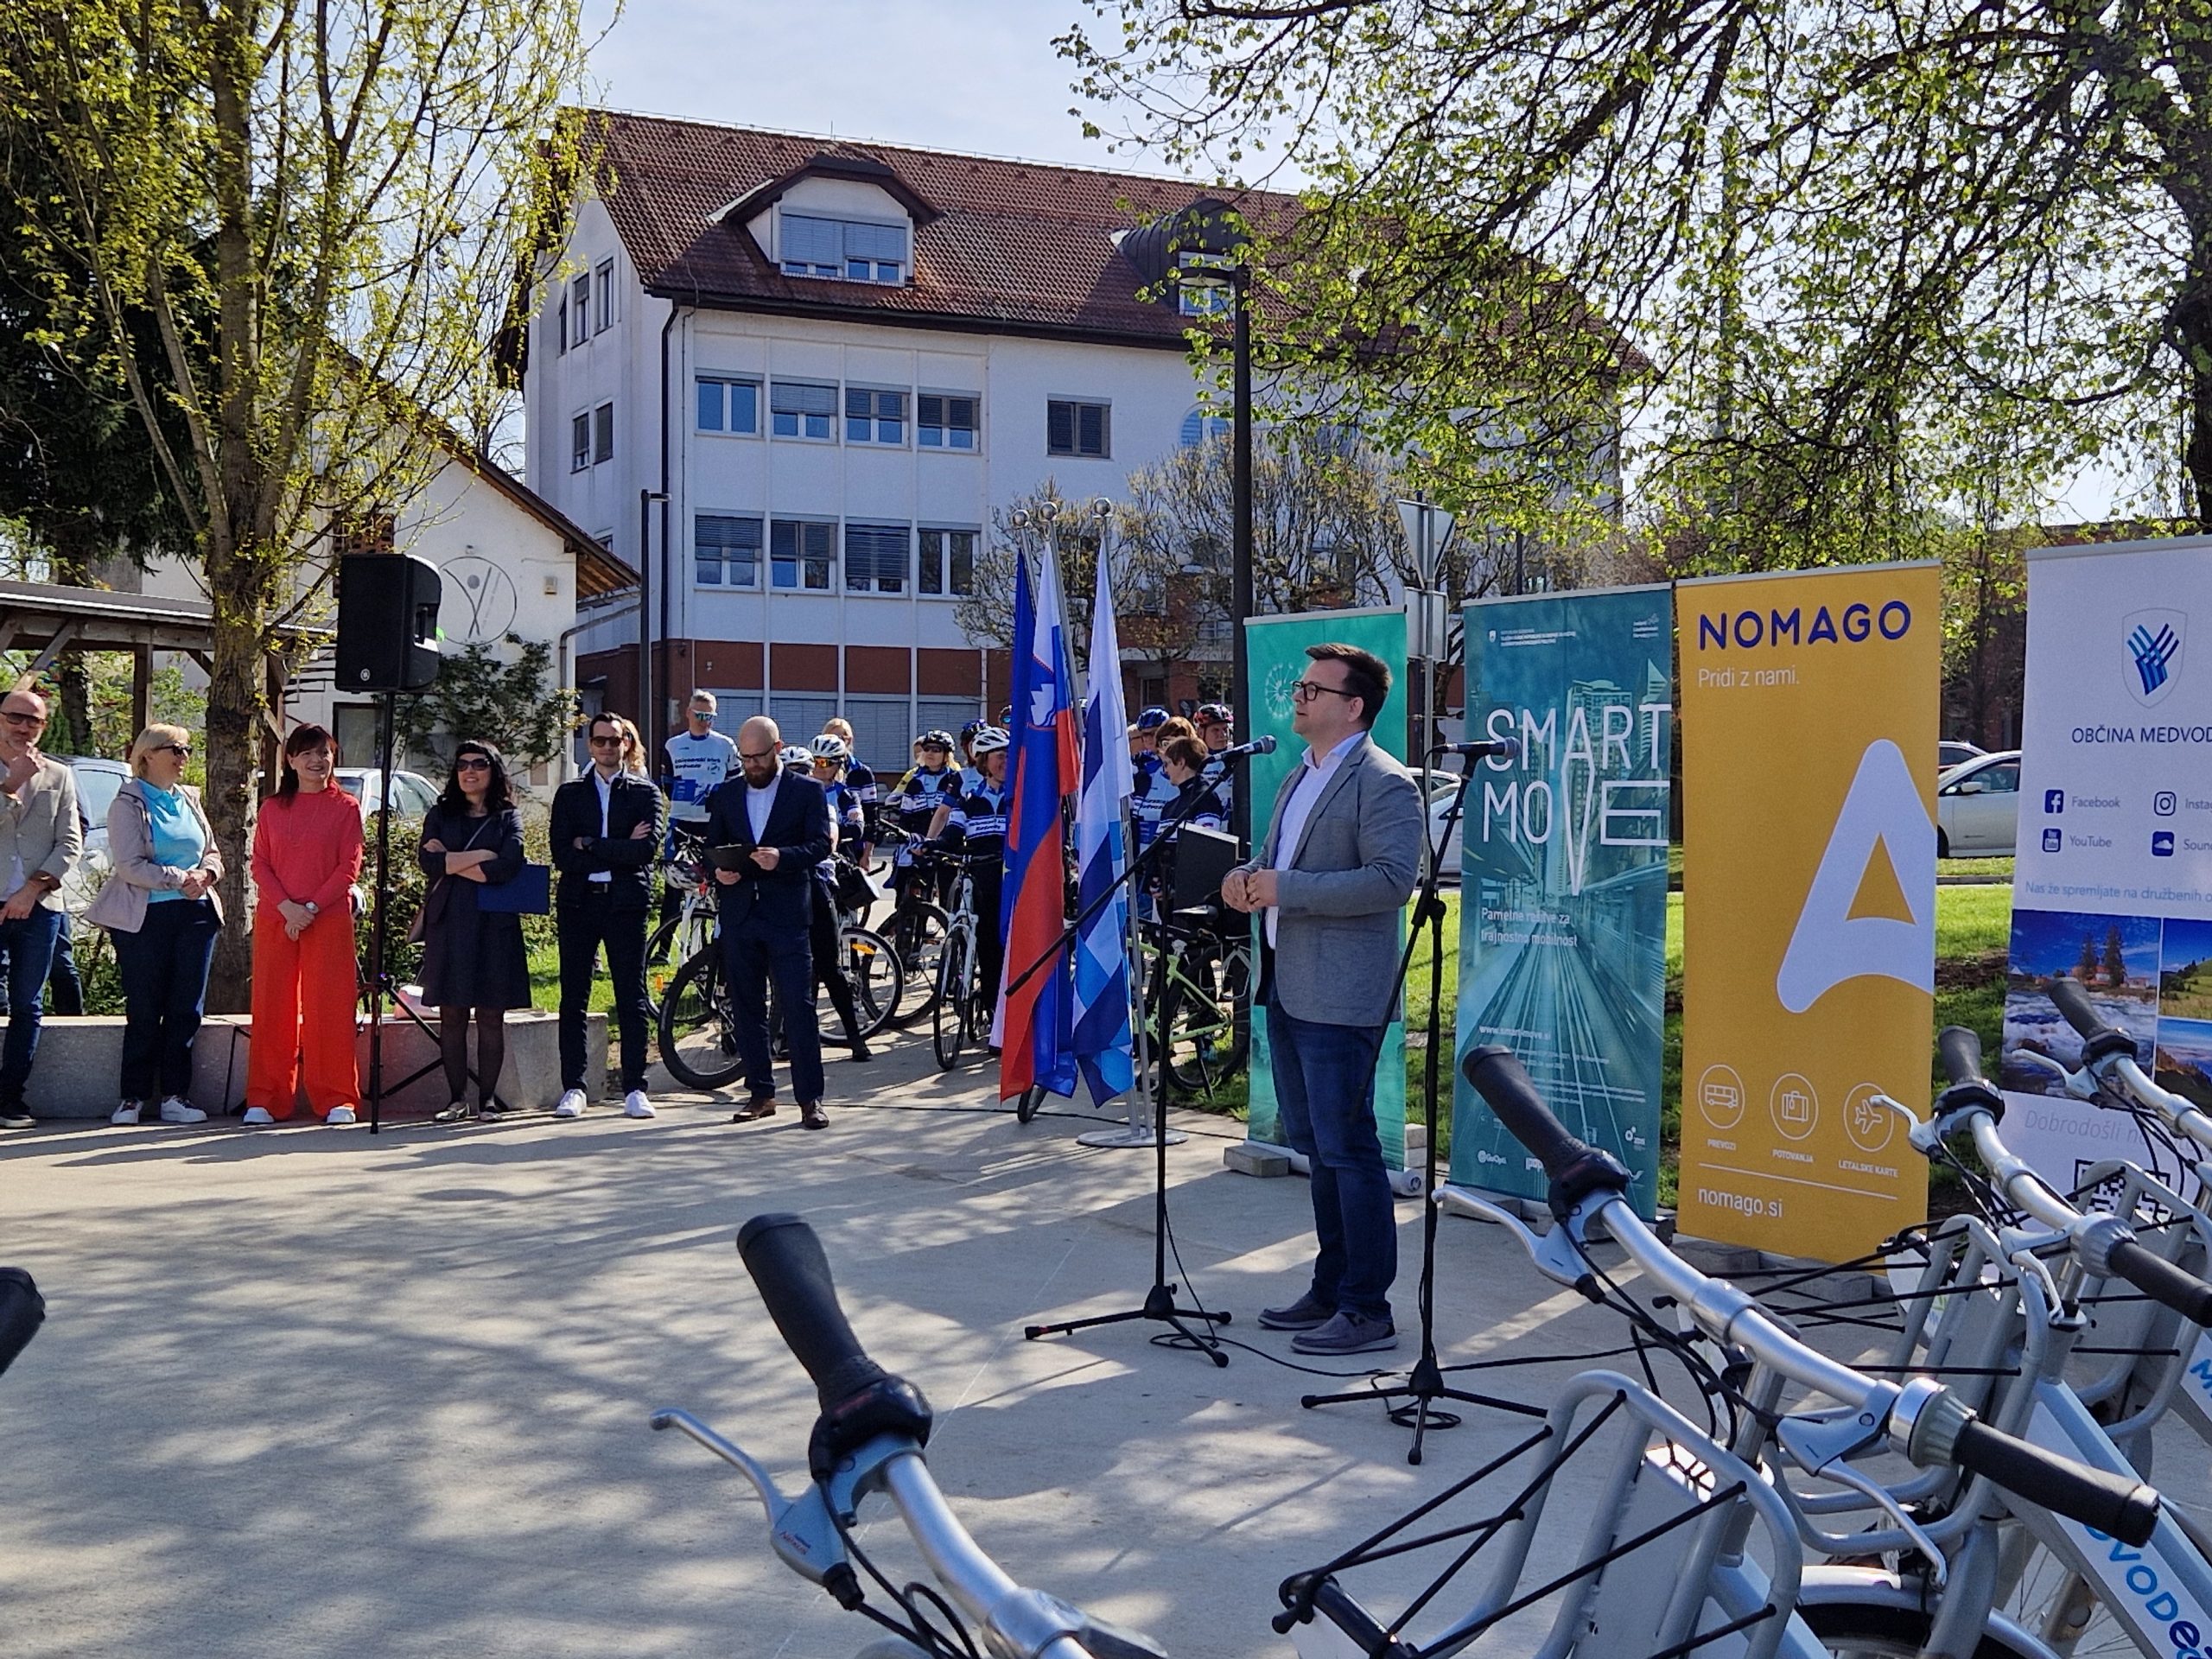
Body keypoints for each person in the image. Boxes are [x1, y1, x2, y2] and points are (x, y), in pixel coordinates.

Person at [1221, 645, 1420, 1357]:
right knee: (1312, 1145)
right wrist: (1245, 878)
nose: (1299, 696)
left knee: (1347, 1148)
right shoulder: (1297, 775)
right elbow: (1277, 862)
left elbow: (1393, 880)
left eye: (1313, 688)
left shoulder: (1384, 782)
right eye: (1300, 685)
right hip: (1287, 981)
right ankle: (1331, 1288)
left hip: (1342, 995)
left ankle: (1368, 1308)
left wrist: (1285, 890)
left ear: (1353, 705)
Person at [91, 726, 222, 1126]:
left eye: (187, 749)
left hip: (196, 914)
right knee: (145, 1007)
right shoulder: (127, 804)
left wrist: (207, 876)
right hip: (145, 916)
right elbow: (130, 866)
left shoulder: (189, 800)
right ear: (148, 755)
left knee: (186, 1009)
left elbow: (214, 853)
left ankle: (175, 1096)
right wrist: (178, 877)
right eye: (175, 749)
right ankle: (132, 1096)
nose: (183, 756)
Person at [711, 715, 831, 1129]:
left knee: (798, 1006)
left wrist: (783, 858)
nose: (751, 766)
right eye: (744, 758)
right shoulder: (727, 793)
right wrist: (719, 872)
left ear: (777, 750)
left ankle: (810, 1099)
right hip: (741, 913)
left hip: (787, 915)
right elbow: (715, 845)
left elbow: (820, 845)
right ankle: (760, 1092)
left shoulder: (807, 792)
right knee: (746, 1007)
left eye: (758, 757)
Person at [245, 723, 363, 1128]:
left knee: (329, 1006)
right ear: (291, 761)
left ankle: (337, 1097)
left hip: (327, 918)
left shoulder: (346, 807)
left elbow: (349, 867)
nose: (318, 761)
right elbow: (259, 863)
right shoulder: (273, 808)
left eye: (325, 753)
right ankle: (266, 1096)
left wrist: (310, 907)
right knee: (272, 1006)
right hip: (278, 918)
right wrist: (288, 907)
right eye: (308, 754)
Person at [550, 713, 662, 1120]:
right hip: (580, 901)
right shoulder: (570, 794)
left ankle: (635, 1086)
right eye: (599, 741)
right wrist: (616, 846)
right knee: (573, 996)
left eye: (614, 741)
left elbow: (645, 851)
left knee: (630, 996)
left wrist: (593, 843)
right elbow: (564, 854)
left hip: (625, 902)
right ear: (589, 745)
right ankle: (574, 1086)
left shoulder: (644, 794)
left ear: (626, 745)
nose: (607, 748)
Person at [417, 741, 531, 1121]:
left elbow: (508, 866)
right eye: (462, 764)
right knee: (452, 1014)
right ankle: (456, 1099)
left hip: (494, 926)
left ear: (493, 770)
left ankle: (487, 1100)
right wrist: (482, 856)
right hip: (450, 922)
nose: (469, 771)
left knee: (489, 1016)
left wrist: (451, 860)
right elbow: (427, 862)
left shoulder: (507, 817)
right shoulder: (440, 814)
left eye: (479, 764)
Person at [925, 726, 1009, 1015]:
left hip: (1012, 881)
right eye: (999, 757)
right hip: (982, 879)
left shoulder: (1022, 798)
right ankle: (992, 1012)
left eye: (1009, 756)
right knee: (987, 949)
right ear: (984, 762)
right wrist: (933, 846)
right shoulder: (971, 800)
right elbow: (952, 831)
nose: (1005, 762)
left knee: (1010, 949)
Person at [807, 734, 872, 1062]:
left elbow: (856, 829)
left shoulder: (845, 794)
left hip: (828, 875)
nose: (820, 769)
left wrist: (830, 836)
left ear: (838, 765)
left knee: (829, 964)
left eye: (827, 763)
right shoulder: (801, 789)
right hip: (795, 880)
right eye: (816, 762)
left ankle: (854, 1037)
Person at [885, 729, 961, 908]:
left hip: (945, 838)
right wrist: (904, 836)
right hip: (918, 837)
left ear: (946, 755)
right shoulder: (914, 779)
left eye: (936, 750)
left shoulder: (955, 778)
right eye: (927, 749)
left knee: (947, 889)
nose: (930, 754)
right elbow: (906, 815)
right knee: (907, 886)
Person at [659, 691, 737, 824]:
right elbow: (667, 782)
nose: (704, 721)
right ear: (689, 713)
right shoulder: (673, 745)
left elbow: (735, 782)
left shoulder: (726, 744)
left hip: (715, 819)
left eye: (709, 717)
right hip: (680, 818)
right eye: (700, 715)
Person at [820, 717, 877, 862]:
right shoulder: (816, 771)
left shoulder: (862, 772)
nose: (838, 742)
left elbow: (871, 815)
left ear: (850, 740)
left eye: (842, 738)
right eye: (832, 738)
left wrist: (867, 854)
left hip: (853, 844)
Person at [1196, 701, 1236, 821]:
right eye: (1215, 730)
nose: (1222, 735)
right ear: (1200, 732)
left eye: (1225, 729)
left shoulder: (1236, 753)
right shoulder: (1193, 760)